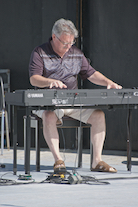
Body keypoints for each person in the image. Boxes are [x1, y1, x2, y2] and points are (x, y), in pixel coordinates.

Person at [29, 18, 122, 173]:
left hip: (72, 103)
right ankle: (58, 160)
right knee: (49, 115)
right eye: (65, 43)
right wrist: (49, 81)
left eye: (71, 43)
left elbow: (91, 74)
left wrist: (108, 82)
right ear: (54, 37)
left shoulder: (76, 53)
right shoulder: (39, 52)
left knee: (98, 115)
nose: (68, 47)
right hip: (48, 103)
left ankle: (96, 161)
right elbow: (34, 79)